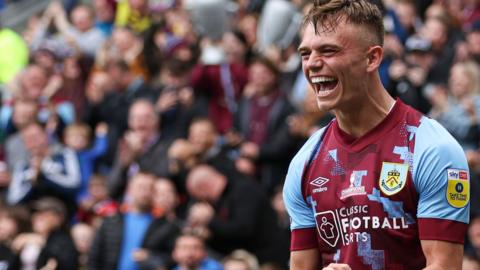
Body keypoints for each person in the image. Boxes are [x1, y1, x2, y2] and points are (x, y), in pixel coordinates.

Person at [283, 1, 470, 269]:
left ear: (372, 58)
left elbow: (446, 266)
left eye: (328, 51)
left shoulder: (431, 148)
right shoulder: (305, 162)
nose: (312, 64)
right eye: (305, 53)